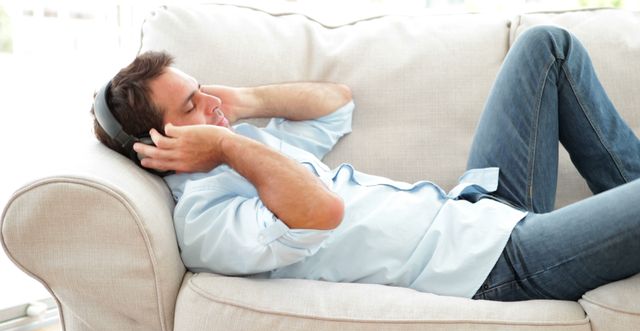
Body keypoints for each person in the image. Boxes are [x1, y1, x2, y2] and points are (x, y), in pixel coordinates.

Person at [91, 25, 640, 301]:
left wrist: (237, 103)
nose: (210, 104)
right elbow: (320, 211)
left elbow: (336, 102)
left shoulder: (247, 144)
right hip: (498, 266)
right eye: (191, 105)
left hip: (479, 206)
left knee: (548, 46)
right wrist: (230, 145)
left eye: (199, 88)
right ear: (156, 146)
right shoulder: (206, 223)